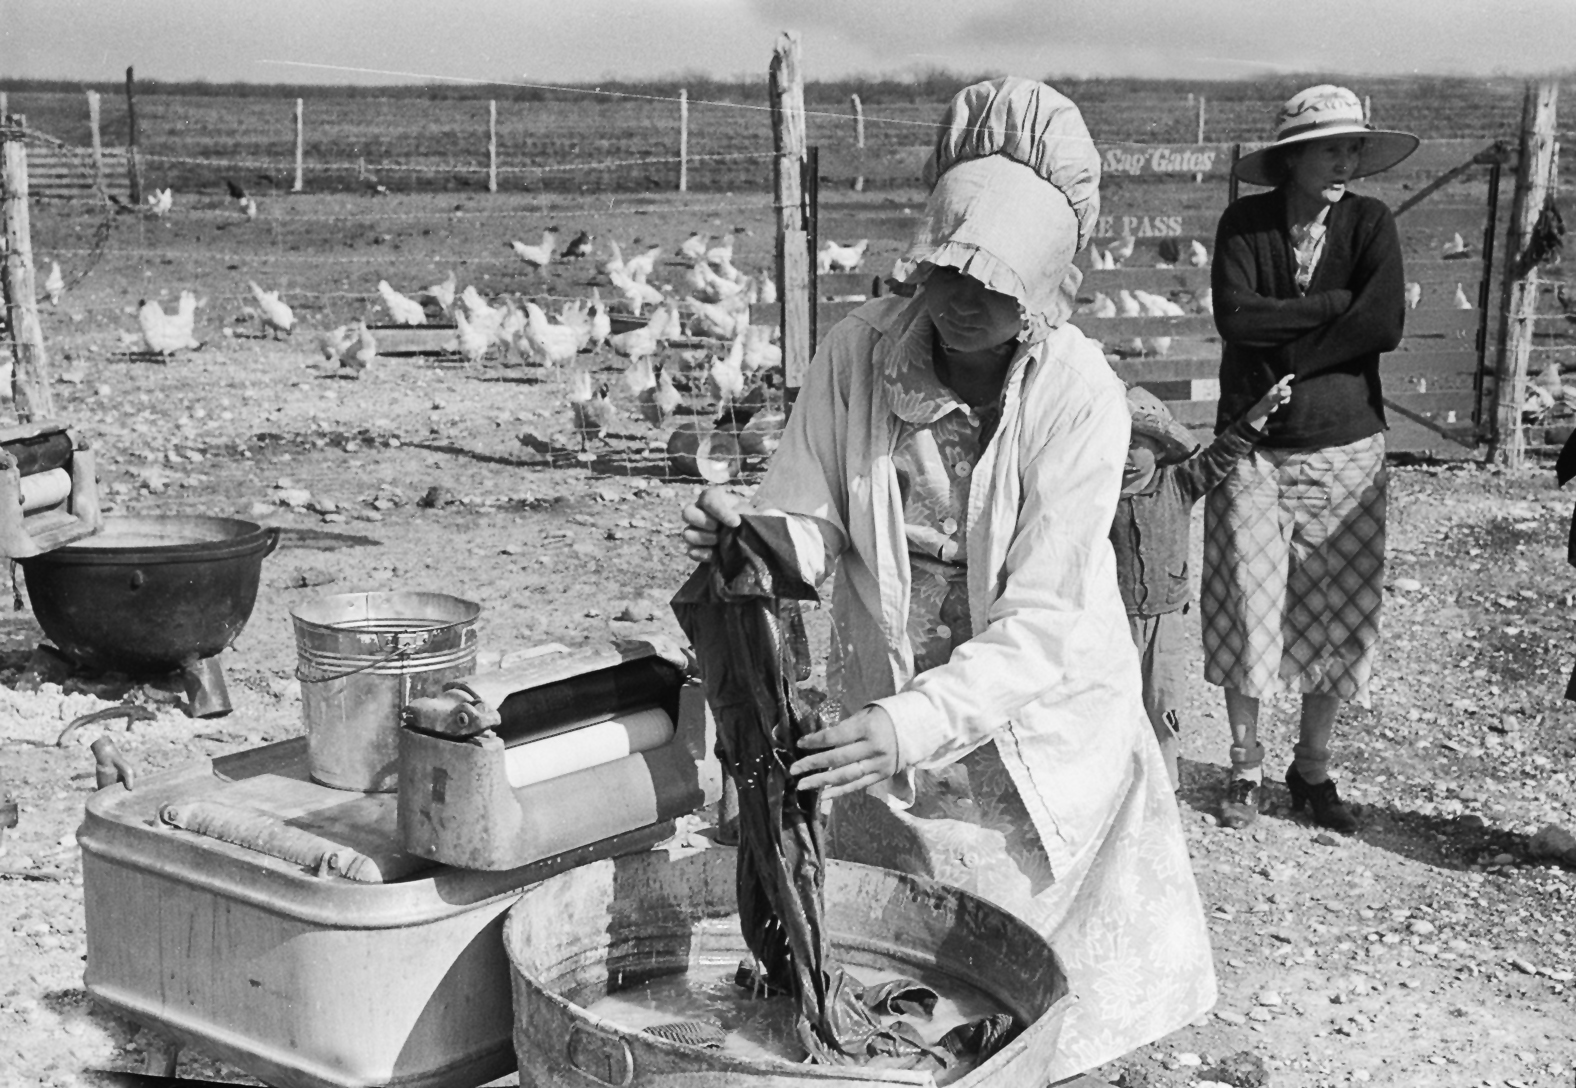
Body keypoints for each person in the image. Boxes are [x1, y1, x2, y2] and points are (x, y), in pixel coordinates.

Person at [681, 77, 1215, 1080]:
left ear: (1045, 288)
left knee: (1027, 997)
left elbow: (1039, 619)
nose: (967, 302)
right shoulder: (855, 358)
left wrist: (906, 723)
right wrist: (753, 540)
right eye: (951, 272)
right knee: (905, 985)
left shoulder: (1078, 395)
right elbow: (807, 514)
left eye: (998, 284)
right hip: (886, 724)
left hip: (1032, 736)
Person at [1203, 85, 1418, 832]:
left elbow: (1384, 322)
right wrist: (1336, 310)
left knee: (1339, 609)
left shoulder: (1369, 223)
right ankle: (1244, 766)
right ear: (1291, 158)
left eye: (1352, 147)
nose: (1344, 160)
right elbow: (1234, 316)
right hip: (1254, 450)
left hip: (1347, 448)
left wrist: (1281, 340)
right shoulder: (1244, 224)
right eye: (1330, 147)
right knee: (1244, 605)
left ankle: (1313, 768)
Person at [1112, 377, 1292, 791]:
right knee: (1113, 701)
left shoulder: (1180, 482)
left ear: (1159, 449)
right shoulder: (1094, 494)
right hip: (1111, 619)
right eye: (1116, 442)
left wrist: (1260, 410)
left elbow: (1223, 453)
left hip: (1166, 619)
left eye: (1136, 445)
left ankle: (1165, 783)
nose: (1125, 457)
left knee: (1162, 700)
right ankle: (1117, 787)